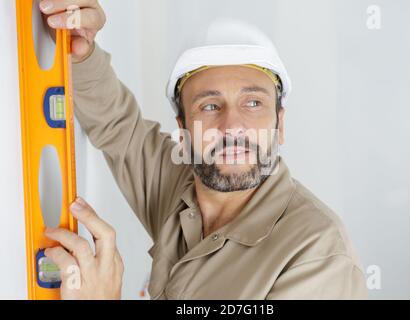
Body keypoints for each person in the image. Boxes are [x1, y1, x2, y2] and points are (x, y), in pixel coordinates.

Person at [40, 0, 368, 300]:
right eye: (210, 106)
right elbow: (121, 130)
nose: (231, 127)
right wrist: (80, 50)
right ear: (183, 131)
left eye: (253, 103)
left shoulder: (317, 253)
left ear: (279, 124)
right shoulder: (182, 192)